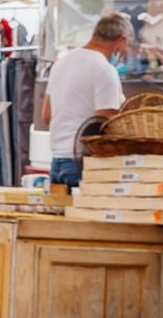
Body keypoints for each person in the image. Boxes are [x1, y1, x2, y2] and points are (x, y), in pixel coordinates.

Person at [39, 12, 130, 189]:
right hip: (84, 162)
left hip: (57, 160)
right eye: (127, 45)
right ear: (120, 40)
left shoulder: (61, 63)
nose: (125, 51)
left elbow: (47, 116)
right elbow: (106, 121)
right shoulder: (104, 70)